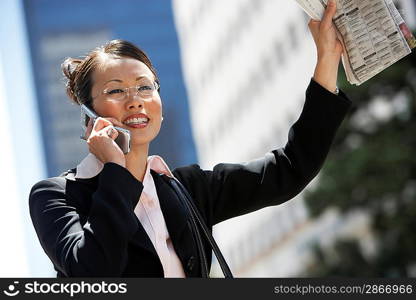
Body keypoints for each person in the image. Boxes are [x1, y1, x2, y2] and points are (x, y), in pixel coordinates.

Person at [29, 0, 351, 277]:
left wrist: (327, 59)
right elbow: (92, 272)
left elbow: (289, 169)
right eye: (115, 90)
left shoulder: (186, 187)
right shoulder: (57, 196)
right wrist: (115, 170)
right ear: (89, 117)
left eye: (145, 86)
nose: (136, 99)